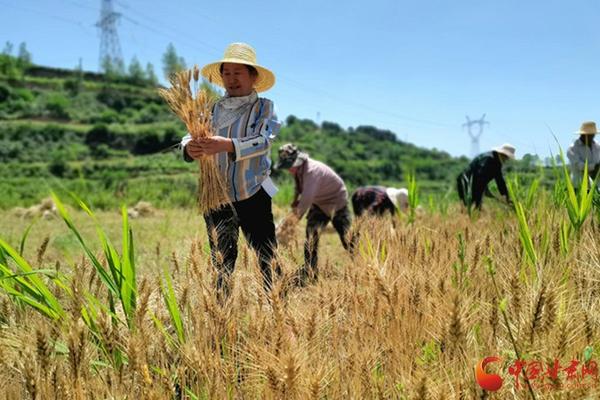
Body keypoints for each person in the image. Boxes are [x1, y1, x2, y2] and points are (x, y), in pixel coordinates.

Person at [181, 42, 281, 296]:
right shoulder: (213, 108)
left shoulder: (265, 107)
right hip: (217, 196)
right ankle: (220, 313)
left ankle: (277, 309)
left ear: (253, 77)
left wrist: (228, 145)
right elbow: (191, 132)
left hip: (254, 192)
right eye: (227, 73)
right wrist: (188, 147)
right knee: (221, 260)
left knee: (266, 255)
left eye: (238, 73)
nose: (231, 79)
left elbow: (264, 140)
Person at [276, 143, 355, 285]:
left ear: (297, 161)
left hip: (336, 200)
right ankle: (310, 271)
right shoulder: (298, 171)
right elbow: (299, 188)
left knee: (347, 237)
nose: (288, 170)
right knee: (311, 236)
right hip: (319, 202)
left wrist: (292, 221)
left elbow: (306, 200)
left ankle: (361, 267)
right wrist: (295, 201)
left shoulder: (312, 171)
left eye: (289, 166)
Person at [456, 143, 516, 210]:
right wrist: (483, 192)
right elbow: (479, 178)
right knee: (470, 205)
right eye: (507, 157)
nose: (507, 159)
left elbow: (500, 181)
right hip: (466, 181)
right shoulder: (489, 159)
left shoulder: (496, 161)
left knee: (474, 205)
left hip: (475, 182)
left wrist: (506, 197)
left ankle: (475, 213)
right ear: (502, 154)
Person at [567, 121, 600, 188]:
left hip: (595, 186)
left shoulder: (597, 146)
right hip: (578, 185)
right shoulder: (573, 148)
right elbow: (580, 166)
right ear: (582, 135)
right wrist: (595, 167)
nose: (591, 137)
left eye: (592, 134)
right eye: (589, 135)